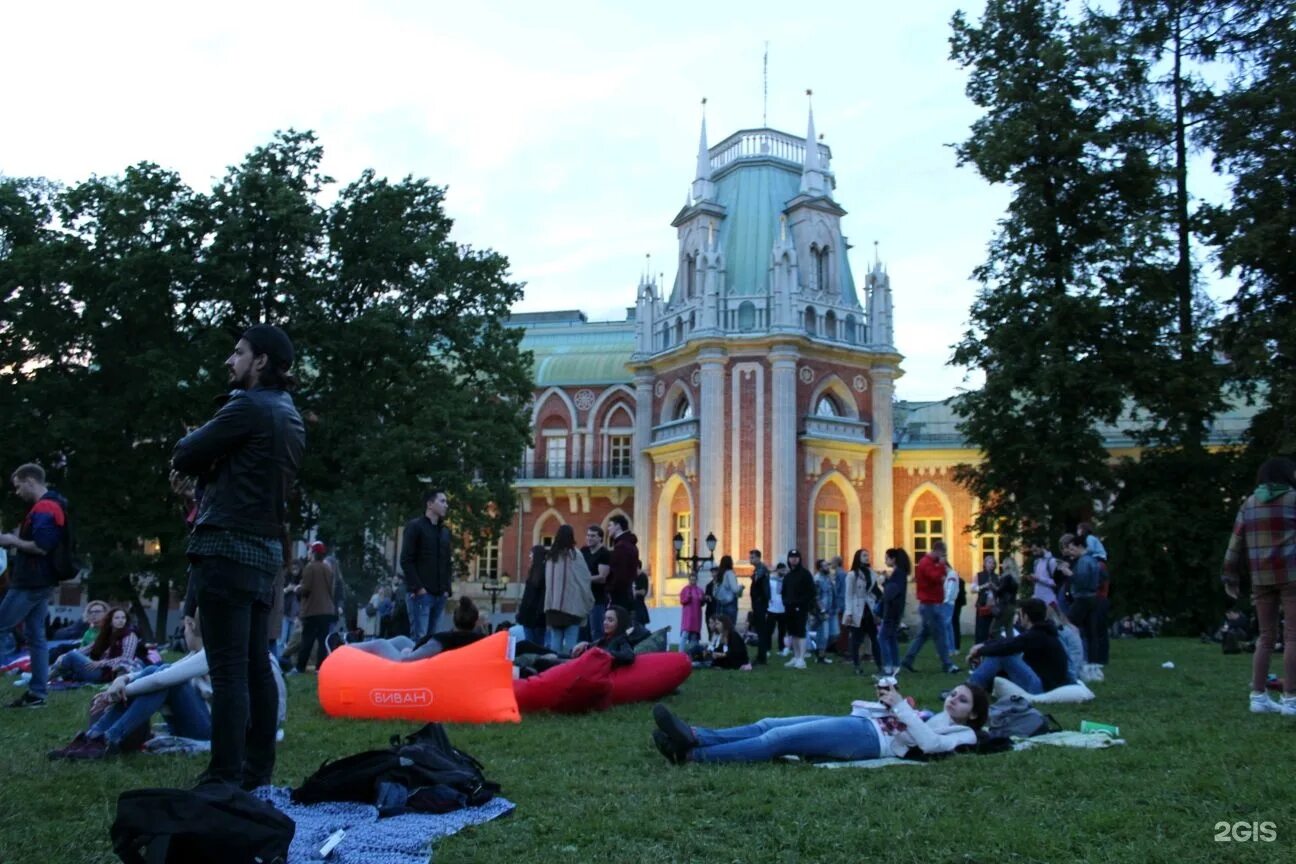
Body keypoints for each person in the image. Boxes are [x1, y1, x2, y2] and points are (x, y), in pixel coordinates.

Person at [171, 323, 304, 788]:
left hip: (227, 547)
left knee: (227, 670)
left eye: (238, 352)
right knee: (255, 666)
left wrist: (204, 462)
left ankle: (223, 775)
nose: (230, 361)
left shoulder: (246, 405)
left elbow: (184, 453)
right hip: (265, 553)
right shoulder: (289, 412)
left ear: (260, 361)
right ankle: (256, 770)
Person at [650, 681, 989, 765]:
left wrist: (902, 707)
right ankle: (693, 735)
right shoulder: (938, 715)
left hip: (870, 741)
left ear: (973, 714)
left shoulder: (963, 734)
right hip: (862, 724)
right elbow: (912, 724)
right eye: (953, 694)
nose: (952, 700)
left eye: (962, 700)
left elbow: (930, 744)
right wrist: (892, 703)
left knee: (779, 738)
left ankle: (693, 755)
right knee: (769, 722)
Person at [1222, 456, 1296, 715]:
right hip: (1291, 575)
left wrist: (1229, 576)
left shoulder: (1249, 503)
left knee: (1265, 637)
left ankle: (1258, 696)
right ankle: (1291, 699)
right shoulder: (1293, 499)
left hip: (1261, 578)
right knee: (1293, 636)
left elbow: (1235, 543)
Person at [0, 462, 69, 708]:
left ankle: (38, 692)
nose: (17, 493)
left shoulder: (46, 507)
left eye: (18, 487)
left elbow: (42, 545)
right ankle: (37, 694)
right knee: (36, 636)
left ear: (30, 481)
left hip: (30, 582)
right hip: (41, 581)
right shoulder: (53, 504)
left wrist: (11, 540)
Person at [967, 597, 1073, 695]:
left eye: (1020, 614)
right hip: (1047, 682)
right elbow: (1010, 642)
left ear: (1026, 616)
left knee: (1002, 655)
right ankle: (976, 687)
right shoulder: (1043, 632)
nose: (1019, 618)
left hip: (1041, 686)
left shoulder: (1036, 635)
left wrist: (979, 651)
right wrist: (984, 645)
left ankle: (970, 689)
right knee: (1001, 653)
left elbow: (1008, 647)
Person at [399, 489, 453, 642]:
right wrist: (419, 588)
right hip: (421, 595)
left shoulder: (444, 532)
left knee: (434, 641)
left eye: (446, 502)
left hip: (439, 594)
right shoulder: (415, 527)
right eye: (442, 501)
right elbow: (406, 560)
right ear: (430, 504)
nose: (446, 505)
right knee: (419, 639)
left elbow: (447, 562)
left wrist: (446, 590)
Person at [901, 541, 959, 674]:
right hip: (930, 604)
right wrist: (942, 566)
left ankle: (908, 660)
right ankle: (947, 664)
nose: (944, 557)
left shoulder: (930, 563)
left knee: (923, 635)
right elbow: (935, 577)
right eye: (943, 554)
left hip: (931, 603)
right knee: (940, 634)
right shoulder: (926, 562)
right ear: (938, 551)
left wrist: (940, 567)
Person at [53, 607, 142, 683]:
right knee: (70, 656)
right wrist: (63, 656)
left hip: (108, 673)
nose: (121, 620)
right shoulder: (106, 634)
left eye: (123, 618)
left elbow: (126, 659)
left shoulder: (129, 635)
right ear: (110, 621)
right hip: (97, 668)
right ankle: (54, 675)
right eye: (117, 618)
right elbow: (88, 648)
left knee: (72, 656)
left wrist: (101, 663)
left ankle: (48, 677)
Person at [544, 524, 593, 654]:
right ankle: (566, 668)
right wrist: (587, 600)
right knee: (571, 643)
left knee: (555, 641)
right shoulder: (574, 555)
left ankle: (553, 668)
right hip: (572, 606)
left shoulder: (550, 555)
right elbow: (585, 578)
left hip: (553, 606)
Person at [1057, 534, 1103, 675]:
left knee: (1066, 626)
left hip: (1082, 598)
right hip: (1093, 598)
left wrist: (1068, 573)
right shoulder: (1093, 560)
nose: (1070, 552)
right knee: (1091, 632)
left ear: (1080, 547)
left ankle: (1071, 658)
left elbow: (1081, 581)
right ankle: (1093, 664)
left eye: (1072, 549)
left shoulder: (1083, 561)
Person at [294, 545, 336, 674]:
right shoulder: (328, 569)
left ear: (313, 553)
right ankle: (320, 668)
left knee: (307, 640)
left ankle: (300, 668)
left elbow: (306, 589)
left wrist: (298, 589)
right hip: (327, 610)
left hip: (312, 610)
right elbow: (331, 590)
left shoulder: (310, 567)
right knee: (323, 641)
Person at [843, 549, 882, 675]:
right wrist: (848, 612)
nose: (867, 557)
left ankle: (880, 665)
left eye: (868, 555)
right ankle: (856, 665)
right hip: (857, 609)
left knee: (874, 639)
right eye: (864, 555)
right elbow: (848, 595)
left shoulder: (871, 572)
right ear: (858, 557)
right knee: (856, 640)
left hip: (869, 608)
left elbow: (875, 591)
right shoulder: (852, 575)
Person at [570, 604, 636, 667]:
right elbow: (590, 648)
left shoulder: (621, 640)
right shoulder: (605, 639)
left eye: (610, 620)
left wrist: (603, 652)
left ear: (620, 623)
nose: (605, 623)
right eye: (605, 619)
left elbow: (629, 656)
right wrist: (585, 645)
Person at [781, 550, 815, 669]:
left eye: (796, 557)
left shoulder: (805, 574)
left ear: (800, 559)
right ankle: (795, 656)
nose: (794, 559)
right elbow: (784, 591)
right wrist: (785, 602)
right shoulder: (788, 576)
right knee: (793, 633)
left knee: (801, 633)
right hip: (789, 608)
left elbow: (811, 592)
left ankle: (802, 658)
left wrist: (802, 603)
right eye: (791, 557)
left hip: (801, 608)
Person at [878, 549, 909, 675]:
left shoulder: (898, 574)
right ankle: (895, 665)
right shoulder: (900, 574)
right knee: (891, 638)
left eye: (887, 558)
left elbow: (891, 592)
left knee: (883, 637)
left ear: (893, 559)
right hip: (896, 610)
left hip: (892, 610)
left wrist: (883, 582)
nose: (885, 561)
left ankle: (888, 666)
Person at [605, 514, 638, 612]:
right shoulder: (628, 544)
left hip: (619, 595)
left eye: (610, 525)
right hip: (626, 593)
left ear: (618, 526)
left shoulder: (621, 546)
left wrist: (609, 589)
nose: (608, 529)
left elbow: (620, 573)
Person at [516, 545, 547, 646]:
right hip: (539, 616)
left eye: (531, 554)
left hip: (529, 615)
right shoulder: (544, 571)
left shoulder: (535, 572)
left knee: (530, 644)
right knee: (539, 644)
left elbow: (527, 597)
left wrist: (521, 613)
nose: (529, 556)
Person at [748, 550, 771, 664]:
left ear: (758, 558)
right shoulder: (758, 570)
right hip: (758, 604)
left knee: (762, 631)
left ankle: (762, 657)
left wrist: (763, 602)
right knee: (760, 631)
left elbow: (765, 589)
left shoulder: (762, 570)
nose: (750, 559)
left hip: (760, 604)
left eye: (752, 557)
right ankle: (761, 655)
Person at [812, 559, 837, 664]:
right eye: (825, 566)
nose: (827, 567)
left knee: (834, 633)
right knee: (824, 634)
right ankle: (820, 656)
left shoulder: (828, 578)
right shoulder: (817, 579)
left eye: (827, 565)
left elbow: (832, 593)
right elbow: (816, 597)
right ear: (820, 568)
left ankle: (819, 651)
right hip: (822, 611)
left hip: (831, 610)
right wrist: (822, 610)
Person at [970, 554, 998, 645]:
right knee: (981, 628)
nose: (991, 565)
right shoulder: (979, 575)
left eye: (993, 563)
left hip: (993, 606)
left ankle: (991, 645)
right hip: (982, 605)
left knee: (992, 628)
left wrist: (995, 587)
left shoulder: (997, 577)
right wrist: (983, 586)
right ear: (985, 564)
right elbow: (973, 589)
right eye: (989, 562)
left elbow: (1000, 590)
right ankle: (979, 647)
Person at [1025, 540, 1059, 608]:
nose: (1034, 553)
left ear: (1042, 547)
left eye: (1036, 550)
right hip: (1038, 598)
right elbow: (1037, 581)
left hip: (1049, 600)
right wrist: (1033, 579)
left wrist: (1039, 578)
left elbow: (1056, 582)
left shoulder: (1052, 561)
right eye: (1033, 551)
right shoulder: (1037, 562)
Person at [993, 557, 1021, 639]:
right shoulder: (1015, 578)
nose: (1002, 565)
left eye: (1004, 563)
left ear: (1007, 565)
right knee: (1009, 629)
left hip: (1004, 605)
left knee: (994, 630)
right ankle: (1012, 649)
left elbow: (1000, 591)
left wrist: (993, 586)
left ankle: (1004, 645)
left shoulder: (1006, 577)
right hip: (1012, 605)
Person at [679, 569, 704, 655]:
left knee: (694, 635)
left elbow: (702, 602)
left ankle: (693, 654)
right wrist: (687, 597)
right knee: (685, 634)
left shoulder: (700, 590)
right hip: (688, 616)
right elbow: (682, 601)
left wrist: (703, 599)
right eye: (691, 579)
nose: (693, 581)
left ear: (697, 580)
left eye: (694, 579)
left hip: (696, 616)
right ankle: (681, 653)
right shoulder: (685, 590)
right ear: (689, 579)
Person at [768, 562, 788, 657]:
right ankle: (767, 648)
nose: (784, 571)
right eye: (782, 570)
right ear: (778, 570)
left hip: (783, 609)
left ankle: (781, 648)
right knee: (769, 630)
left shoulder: (787, 581)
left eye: (785, 570)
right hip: (772, 609)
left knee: (782, 630)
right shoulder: (771, 580)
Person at [714, 555, 741, 625]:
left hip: (719, 604)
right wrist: (741, 587)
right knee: (730, 627)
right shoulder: (730, 573)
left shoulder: (719, 574)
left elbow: (714, 591)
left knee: (720, 627)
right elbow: (735, 589)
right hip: (730, 603)